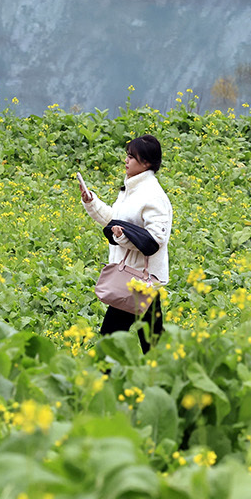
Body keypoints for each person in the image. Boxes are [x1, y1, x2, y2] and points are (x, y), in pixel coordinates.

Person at [80, 134, 172, 352]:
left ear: (146, 163)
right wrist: (92, 202)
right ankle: (165, 370)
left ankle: (106, 372)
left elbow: (155, 240)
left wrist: (122, 237)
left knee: (111, 337)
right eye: (127, 155)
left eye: (132, 157)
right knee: (152, 338)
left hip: (138, 278)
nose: (126, 160)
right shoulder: (131, 189)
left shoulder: (153, 196)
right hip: (134, 276)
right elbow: (115, 221)